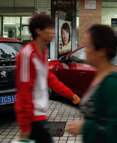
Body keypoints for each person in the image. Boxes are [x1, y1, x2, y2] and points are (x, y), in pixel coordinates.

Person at [65, 24, 117, 143]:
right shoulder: (100, 77)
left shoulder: (113, 84)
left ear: (101, 51)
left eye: (88, 46)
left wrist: (85, 127)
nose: (85, 51)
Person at [14, 14, 80, 143]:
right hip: (33, 118)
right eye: (49, 28)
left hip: (40, 115)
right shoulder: (27, 55)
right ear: (38, 31)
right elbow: (24, 92)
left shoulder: (43, 52)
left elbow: (49, 79)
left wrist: (70, 94)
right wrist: (25, 126)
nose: (53, 31)